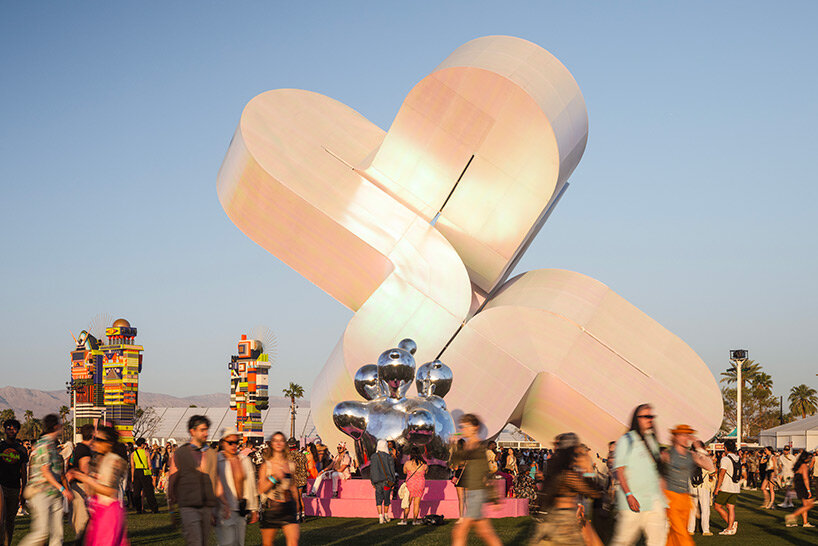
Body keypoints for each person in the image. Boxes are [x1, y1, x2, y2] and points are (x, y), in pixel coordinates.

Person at [529, 432, 602, 544]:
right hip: (564, 523)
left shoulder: (556, 471)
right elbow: (594, 492)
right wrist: (588, 469)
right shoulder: (568, 476)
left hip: (554, 518)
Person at [609, 403, 667, 546]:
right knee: (624, 541)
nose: (650, 419)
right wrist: (629, 495)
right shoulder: (626, 440)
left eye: (651, 416)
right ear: (637, 419)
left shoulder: (652, 440)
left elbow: (656, 471)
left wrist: (663, 498)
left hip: (654, 501)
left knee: (658, 541)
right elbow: (619, 470)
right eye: (646, 416)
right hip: (634, 502)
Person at [67, 425, 128, 545]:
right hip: (98, 511)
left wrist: (85, 478)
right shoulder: (98, 458)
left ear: (109, 443)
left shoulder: (114, 461)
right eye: (95, 439)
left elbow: (111, 491)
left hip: (109, 512)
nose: (95, 442)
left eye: (99, 440)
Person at [18, 414, 73, 546]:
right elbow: (45, 471)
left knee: (57, 534)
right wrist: (63, 489)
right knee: (41, 533)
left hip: (54, 494)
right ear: (56, 427)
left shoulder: (52, 445)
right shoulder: (44, 444)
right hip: (41, 493)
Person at [449, 413, 502, 546]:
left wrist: (494, 498)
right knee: (485, 532)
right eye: (462, 427)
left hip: (477, 494)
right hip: (472, 493)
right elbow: (456, 462)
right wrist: (453, 445)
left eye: (466, 426)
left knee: (459, 532)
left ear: (475, 427)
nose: (463, 430)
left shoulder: (478, 447)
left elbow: (487, 474)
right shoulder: (469, 446)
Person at [168, 415, 219, 546]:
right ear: (192, 431)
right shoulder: (181, 453)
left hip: (207, 505)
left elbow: (215, 480)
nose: (206, 433)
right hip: (188, 505)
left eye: (206, 430)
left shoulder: (211, 454)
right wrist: (171, 505)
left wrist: (216, 507)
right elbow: (172, 478)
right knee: (195, 541)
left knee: (203, 542)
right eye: (202, 430)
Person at [660, 425, 714, 544]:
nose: (686, 438)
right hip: (671, 498)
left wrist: (698, 447)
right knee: (682, 534)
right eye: (683, 435)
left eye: (687, 435)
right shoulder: (667, 455)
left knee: (675, 534)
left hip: (685, 500)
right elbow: (660, 477)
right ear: (675, 437)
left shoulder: (691, 455)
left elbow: (710, 467)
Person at [215, 427, 259, 546]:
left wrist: (254, 509)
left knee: (239, 542)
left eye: (236, 442)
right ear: (223, 443)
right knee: (227, 542)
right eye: (230, 442)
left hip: (241, 508)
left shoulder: (245, 460)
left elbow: (251, 485)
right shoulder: (216, 461)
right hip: (224, 509)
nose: (234, 445)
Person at [258, 432, 299, 546]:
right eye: (275, 441)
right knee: (268, 543)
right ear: (271, 444)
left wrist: (297, 503)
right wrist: (274, 478)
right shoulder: (266, 465)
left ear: (285, 443)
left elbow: (293, 486)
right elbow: (261, 489)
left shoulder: (290, 465)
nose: (278, 443)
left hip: (289, 507)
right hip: (272, 508)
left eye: (281, 440)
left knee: (293, 542)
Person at [0, 418, 28, 546]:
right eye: (9, 428)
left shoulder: (21, 449)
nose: (11, 431)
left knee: (10, 521)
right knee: (0, 520)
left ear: (17, 431)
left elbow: (24, 471)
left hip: (14, 488)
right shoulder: (1, 447)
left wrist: (23, 489)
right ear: (5, 430)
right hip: (1, 487)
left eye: (14, 428)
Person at [66, 423, 94, 543]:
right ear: (92, 435)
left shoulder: (79, 448)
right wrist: (88, 493)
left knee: (81, 522)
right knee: (82, 523)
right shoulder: (84, 450)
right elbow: (85, 472)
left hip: (77, 487)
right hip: (81, 488)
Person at [713, 439, 741, 535]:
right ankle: (730, 528)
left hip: (726, 487)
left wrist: (717, 487)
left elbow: (722, 474)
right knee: (730, 507)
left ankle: (731, 525)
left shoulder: (725, 459)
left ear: (725, 448)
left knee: (717, 506)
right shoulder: (737, 458)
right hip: (735, 486)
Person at [785, 449, 814, 528]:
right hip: (803, 486)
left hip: (799, 486)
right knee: (810, 505)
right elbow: (805, 478)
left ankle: (805, 522)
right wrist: (808, 490)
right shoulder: (804, 466)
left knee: (805, 505)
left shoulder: (798, 465)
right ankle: (792, 516)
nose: (810, 459)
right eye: (809, 457)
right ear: (805, 458)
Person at [369, 439, 396, 524]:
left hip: (377, 481)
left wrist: (372, 481)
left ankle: (380, 517)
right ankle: (386, 515)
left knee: (378, 499)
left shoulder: (373, 457)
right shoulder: (388, 457)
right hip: (387, 482)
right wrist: (393, 481)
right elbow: (392, 470)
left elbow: (371, 470)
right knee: (386, 499)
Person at [399, 448, 427, 525]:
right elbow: (426, 472)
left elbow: (404, 472)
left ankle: (405, 520)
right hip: (420, 484)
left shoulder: (407, 463)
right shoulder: (424, 464)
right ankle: (415, 520)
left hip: (410, 484)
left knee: (407, 502)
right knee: (416, 504)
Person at [131, 437, 158, 514]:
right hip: (145, 472)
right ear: (142, 444)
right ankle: (154, 509)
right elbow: (149, 465)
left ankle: (138, 509)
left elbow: (132, 466)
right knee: (149, 492)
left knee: (137, 492)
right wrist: (151, 473)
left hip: (136, 472)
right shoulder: (146, 453)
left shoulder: (133, 454)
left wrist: (132, 476)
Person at [287, 438, 307, 523]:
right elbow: (306, 467)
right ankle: (303, 515)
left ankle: (297, 516)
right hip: (302, 478)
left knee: (295, 498)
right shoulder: (302, 455)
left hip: (293, 479)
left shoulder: (288, 455)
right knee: (300, 497)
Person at [451, 438, 467, 520]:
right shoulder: (468, 454)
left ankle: (461, 517)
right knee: (467, 498)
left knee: (461, 499)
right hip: (467, 475)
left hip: (459, 476)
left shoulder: (456, 455)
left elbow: (455, 467)